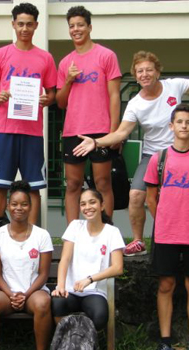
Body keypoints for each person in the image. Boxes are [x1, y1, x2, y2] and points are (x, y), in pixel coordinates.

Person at [72, 36, 189, 257]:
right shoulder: (135, 104)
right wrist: (96, 141)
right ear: (136, 76)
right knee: (136, 195)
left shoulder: (174, 86)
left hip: (181, 153)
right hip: (153, 157)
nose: (144, 74)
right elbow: (121, 133)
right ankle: (139, 241)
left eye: (149, 70)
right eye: (139, 71)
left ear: (158, 72)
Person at [143, 104, 189, 350]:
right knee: (166, 284)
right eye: (179, 122)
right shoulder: (159, 159)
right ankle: (165, 342)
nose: (184, 126)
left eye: (188, 122)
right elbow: (151, 199)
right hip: (166, 234)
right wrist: (166, 218)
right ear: (171, 126)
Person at [0, 2, 57, 229]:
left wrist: (48, 99)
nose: (24, 28)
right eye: (20, 24)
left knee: (33, 185)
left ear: (36, 25)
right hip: (4, 130)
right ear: (13, 25)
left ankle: (33, 232)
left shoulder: (45, 58)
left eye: (29, 24)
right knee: (0, 184)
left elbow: (53, 92)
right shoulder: (0, 54)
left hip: (32, 132)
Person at [55, 6, 122, 223]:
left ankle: (107, 231)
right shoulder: (66, 62)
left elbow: (114, 96)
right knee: (73, 184)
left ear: (89, 27)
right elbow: (60, 102)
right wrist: (68, 80)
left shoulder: (106, 56)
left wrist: (115, 133)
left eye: (80, 25)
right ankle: (73, 235)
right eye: (72, 26)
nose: (76, 29)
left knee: (102, 183)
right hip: (73, 130)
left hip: (101, 131)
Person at [0, 181, 54, 350]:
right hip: (6, 293)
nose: (18, 208)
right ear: (7, 206)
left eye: (24, 204)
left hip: (34, 291)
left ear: (30, 206)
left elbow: (43, 274)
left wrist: (25, 295)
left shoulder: (41, 235)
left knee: (43, 303)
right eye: (14, 204)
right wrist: (12, 294)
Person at [51, 188, 125, 331]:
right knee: (57, 304)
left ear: (102, 206)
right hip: (70, 291)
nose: (87, 208)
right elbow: (64, 260)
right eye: (83, 204)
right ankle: (67, 341)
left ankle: (83, 343)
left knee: (100, 317)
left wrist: (89, 279)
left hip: (94, 292)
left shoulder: (112, 232)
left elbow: (117, 267)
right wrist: (60, 286)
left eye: (92, 202)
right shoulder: (75, 226)